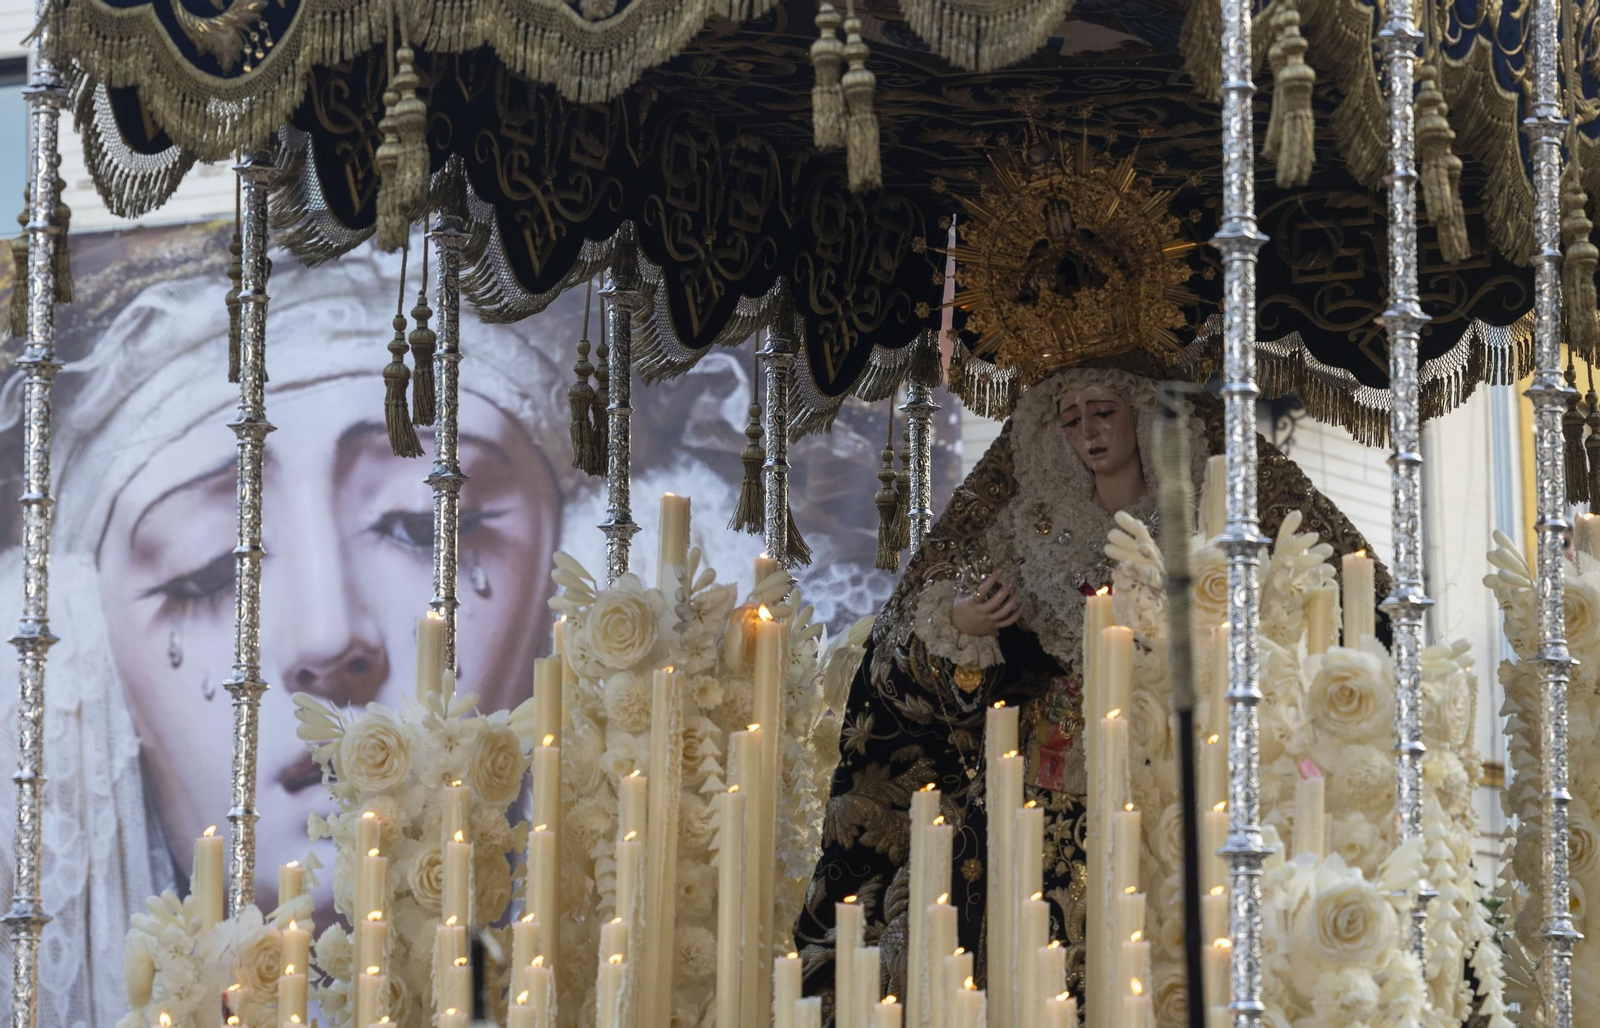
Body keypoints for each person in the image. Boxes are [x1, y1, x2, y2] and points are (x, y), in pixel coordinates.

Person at [794, 363, 1387, 1020]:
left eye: (1103, 412)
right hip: (1045, 781)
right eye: (1072, 420)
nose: (1089, 433)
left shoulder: (1201, 517)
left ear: (1141, 413)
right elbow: (930, 639)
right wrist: (963, 624)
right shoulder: (1028, 527)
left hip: (1171, 773)